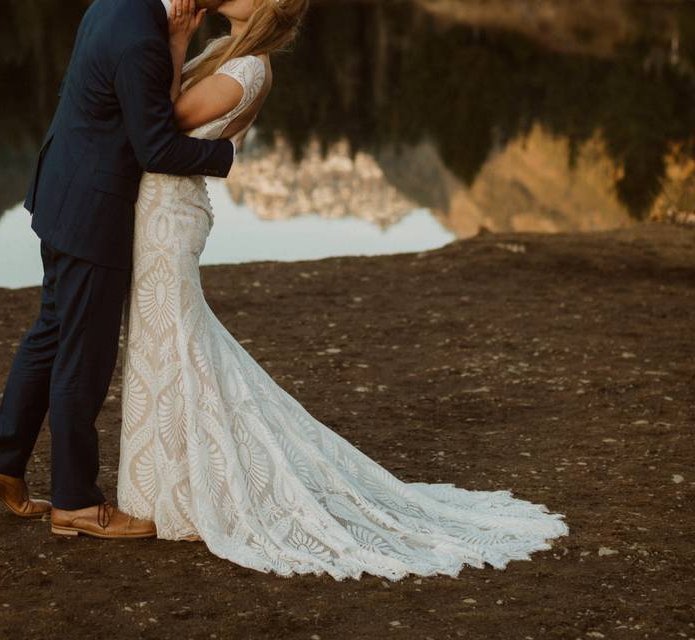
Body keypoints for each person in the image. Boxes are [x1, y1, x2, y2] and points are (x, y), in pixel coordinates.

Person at [116, 0, 572, 580]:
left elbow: (165, 120)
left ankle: (188, 489)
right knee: (164, 346)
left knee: (178, 344)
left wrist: (176, 40)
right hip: (157, 207)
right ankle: (163, 486)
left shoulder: (249, 67)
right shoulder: (224, 52)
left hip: (170, 217)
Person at [0, 0, 244, 539]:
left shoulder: (119, 5)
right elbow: (156, 147)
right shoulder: (143, 40)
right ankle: (75, 502)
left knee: (52, 331)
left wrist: (177, 42)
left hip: (62, 193)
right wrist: (224, 156)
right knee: (83, 357)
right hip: (93, 210)